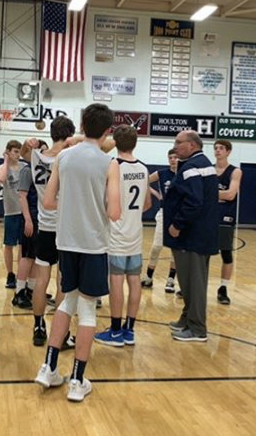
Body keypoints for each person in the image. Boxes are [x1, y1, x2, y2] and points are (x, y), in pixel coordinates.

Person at [34, 104, 121, 402]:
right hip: (93, 245)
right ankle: (77, 380)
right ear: (108, 130)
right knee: (86, 310)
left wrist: (72, 210)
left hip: (66, 242)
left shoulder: (64, 156)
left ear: (82, 124)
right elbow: (115, 211)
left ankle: (48, 367)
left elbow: (48, 201)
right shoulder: (109, 164)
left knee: (65, 303)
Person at [94, 125, 151, 347]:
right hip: (135, 234)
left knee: (116, 281)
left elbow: (105, 202)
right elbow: (146, 204)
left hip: (116, 232)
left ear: (115, 142)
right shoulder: (144, 169)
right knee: (134, 280)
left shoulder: (112, 166)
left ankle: (115, 331)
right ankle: (130, 330)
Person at [164, 130, 219, 342]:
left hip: (192, 237)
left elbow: (194, 201)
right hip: (198, 236)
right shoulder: (201, 164)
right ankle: (187, 319)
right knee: (189, 282)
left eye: (179, 142)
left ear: (192, 145)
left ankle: (197, 329)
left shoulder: (192, 167)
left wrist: (178, 224)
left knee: (193, 283)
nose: (175, 146)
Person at [30, 116, 76, 347]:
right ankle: (62, 333)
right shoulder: (68, 158)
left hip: (44, 225)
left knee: (41, 279)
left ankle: (38, 327)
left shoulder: (35, 156)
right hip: (65, 225)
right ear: (69, 136)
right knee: (62, 282)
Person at [141, 149, 178, 293]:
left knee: (175, 249)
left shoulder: (183, 174)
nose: (173, 160)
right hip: (164, 213)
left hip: (179, 214)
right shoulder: (162, 173)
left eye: (175, 157)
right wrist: (156, 194)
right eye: (170, 157)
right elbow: (143, 180)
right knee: (157, 246)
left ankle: (171, 280)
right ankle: (149, 277)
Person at [12, 140, 42, 309]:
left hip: (41, 218)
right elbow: (22, 196)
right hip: (30, 217)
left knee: (37, 258)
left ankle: (31, 289)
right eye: (41, 150)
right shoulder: (27, 170)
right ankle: (19, 292)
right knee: (27, 257)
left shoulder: (42, 171)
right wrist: (28, 219)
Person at [214, 139, 242, 305]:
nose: (218, 151)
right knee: (203, 255)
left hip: (226, 217)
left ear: (228, 151)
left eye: (221, 148)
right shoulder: (208, 170)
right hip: (208, 217)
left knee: (226, 254)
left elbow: (231, 194)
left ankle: (223, 288)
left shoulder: (235, 171)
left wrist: (210, 193)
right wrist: (220, 193)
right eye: (216, 148)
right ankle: (198, 286)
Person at [0, 140, 25, 289]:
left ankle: (21, 274)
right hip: (10, 211)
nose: (18, 154)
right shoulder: (1, 168)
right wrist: (6, 161)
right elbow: (1, 179)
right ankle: (10, 274)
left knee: (22, 245)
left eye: (19, 151)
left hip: (24, 212)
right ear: (8, 152)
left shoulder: (25, 167)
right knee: (9, 245)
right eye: (14, 151)